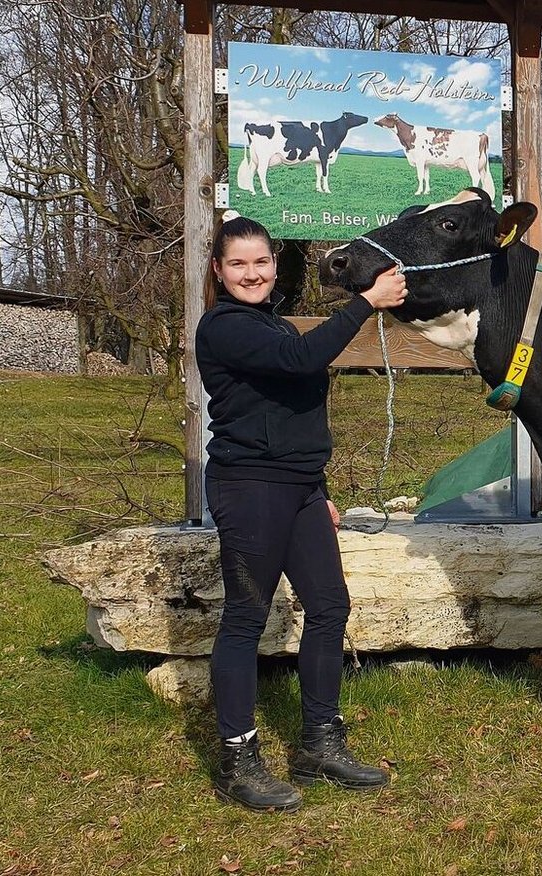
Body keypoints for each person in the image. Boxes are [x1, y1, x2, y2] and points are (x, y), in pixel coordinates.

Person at [196, 212, 408, 812]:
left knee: (329, 605)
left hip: (300, 488)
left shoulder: (274, 324)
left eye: (261, 262)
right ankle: (238, 758)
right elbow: (303, 361)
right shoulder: (224, 327)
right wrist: (366, 301)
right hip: (251, 487)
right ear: (219, 270)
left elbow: (294, 402)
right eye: (238, 263)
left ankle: (319, 742)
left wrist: (317, 486)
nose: (252, 273)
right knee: (246, 617)